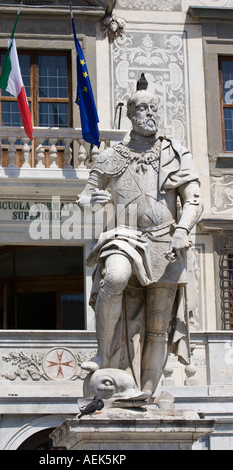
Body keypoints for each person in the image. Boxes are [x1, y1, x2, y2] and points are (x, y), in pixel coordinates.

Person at [77, 77, 203, 397]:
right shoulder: (111, 155)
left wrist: (182, 231)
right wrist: (94, 201)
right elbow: (85, 196)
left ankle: (147, 391)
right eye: (143, 108)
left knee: (157, 327)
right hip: (125, 237)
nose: (150, 114)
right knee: (115, 278)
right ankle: (104, 353)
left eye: (154, 108)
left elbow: (194, 200)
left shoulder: (175, 152)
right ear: (130, 115)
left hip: (166, 244)